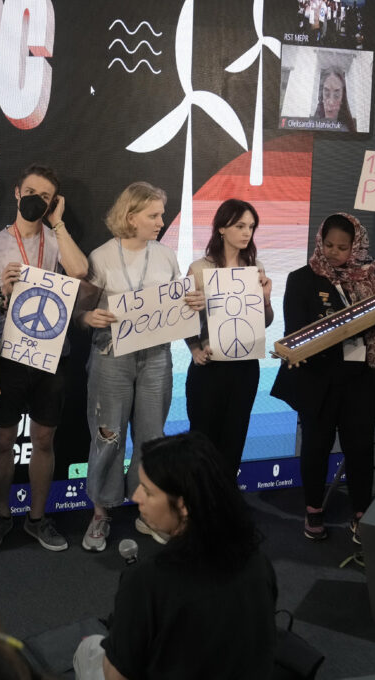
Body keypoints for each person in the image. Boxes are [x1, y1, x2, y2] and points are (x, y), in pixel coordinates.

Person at [72, 432, 277, 680]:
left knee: (88, 648)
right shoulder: (258, 563)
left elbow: (117, 676)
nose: (136, 497)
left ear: (182, 506)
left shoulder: (146, 581)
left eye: (147, 491)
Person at [78, 182, 205, 550]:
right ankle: (101, 514)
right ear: (130, 216)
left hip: (156, 358)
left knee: (152, 438)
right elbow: (80, 313)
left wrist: (193, 302)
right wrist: (90, 319)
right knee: (108, 436)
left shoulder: (166, 257)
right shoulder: (100, 257)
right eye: (154, 215)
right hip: (111, 357)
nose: (161, 221)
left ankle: (148, 513)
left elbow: (178, 306)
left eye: (161, 215)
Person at [0, 164, 88, 554]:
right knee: (3, 440)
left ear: (53, 203)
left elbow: (80, 271)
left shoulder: (56, 240)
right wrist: (3, 294)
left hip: (52, 356)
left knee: (44, 438)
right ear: (17, 194)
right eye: (32, 192)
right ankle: (2, 515)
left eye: (47, 196)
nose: (38, 200)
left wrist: (59, 224)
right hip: (7, 356)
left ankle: (36, 518)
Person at [271, 213, 375, 542]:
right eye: (328, 245)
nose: (334, 252)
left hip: (362, 379)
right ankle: (313, 509)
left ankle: (361, 513)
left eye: (342, 247)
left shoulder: (372, 277)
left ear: (356, 246)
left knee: (360, 447)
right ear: (320, 241)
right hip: (319, 378)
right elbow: (294, 330)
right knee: (316, 445)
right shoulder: (302, 278)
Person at [185, 198, 274, 480]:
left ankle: (225, 502)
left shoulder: (255, 267)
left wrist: (267, 300)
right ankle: (199, 503)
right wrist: (194, 348)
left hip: (245, 367)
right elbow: (182, 317)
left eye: (251, 226)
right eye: (240, 225)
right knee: (202, 441)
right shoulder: (199, 268)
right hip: (209, 367)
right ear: (222, 228)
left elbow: (265, 322)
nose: (247, 232)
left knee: (234, 439)